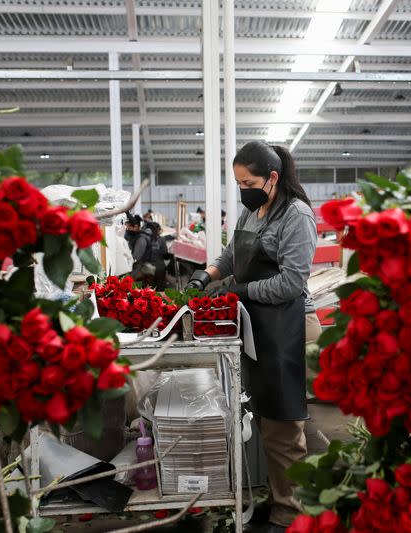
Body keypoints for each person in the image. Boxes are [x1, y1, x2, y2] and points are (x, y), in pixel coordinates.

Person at [186, 141, 318, 532]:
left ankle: (293, 514)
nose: (243, 189)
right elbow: (231, 255)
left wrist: (239, 291)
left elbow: (292, 283)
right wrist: (205, 275)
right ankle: (278, 500)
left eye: (249, 181)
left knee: (284, 426)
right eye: (238, 182)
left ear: (273, 178)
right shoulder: (252, 212)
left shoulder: (297, 215)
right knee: (263, 420)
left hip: (289, 328)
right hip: (258, 326)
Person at [125, 215, 168, 289]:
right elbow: (165, 254)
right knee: (160, 290)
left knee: (149, 290)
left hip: (149, 270)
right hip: (161, 268)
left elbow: (137, 256)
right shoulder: (161, 239)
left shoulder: (143, 238)